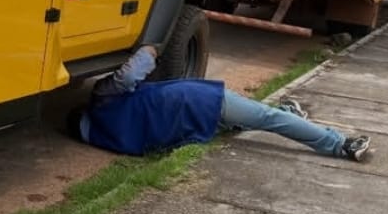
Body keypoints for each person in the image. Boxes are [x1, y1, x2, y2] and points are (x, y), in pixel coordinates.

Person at [66, 45, 371, 161]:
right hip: (202, 101)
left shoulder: (115, 141)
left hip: (197, 125)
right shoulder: (101, 100)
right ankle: (339, 144)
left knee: (255, 118)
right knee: (267, 118)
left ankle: (289, 112)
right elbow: (128, 77)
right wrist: (149, 51)